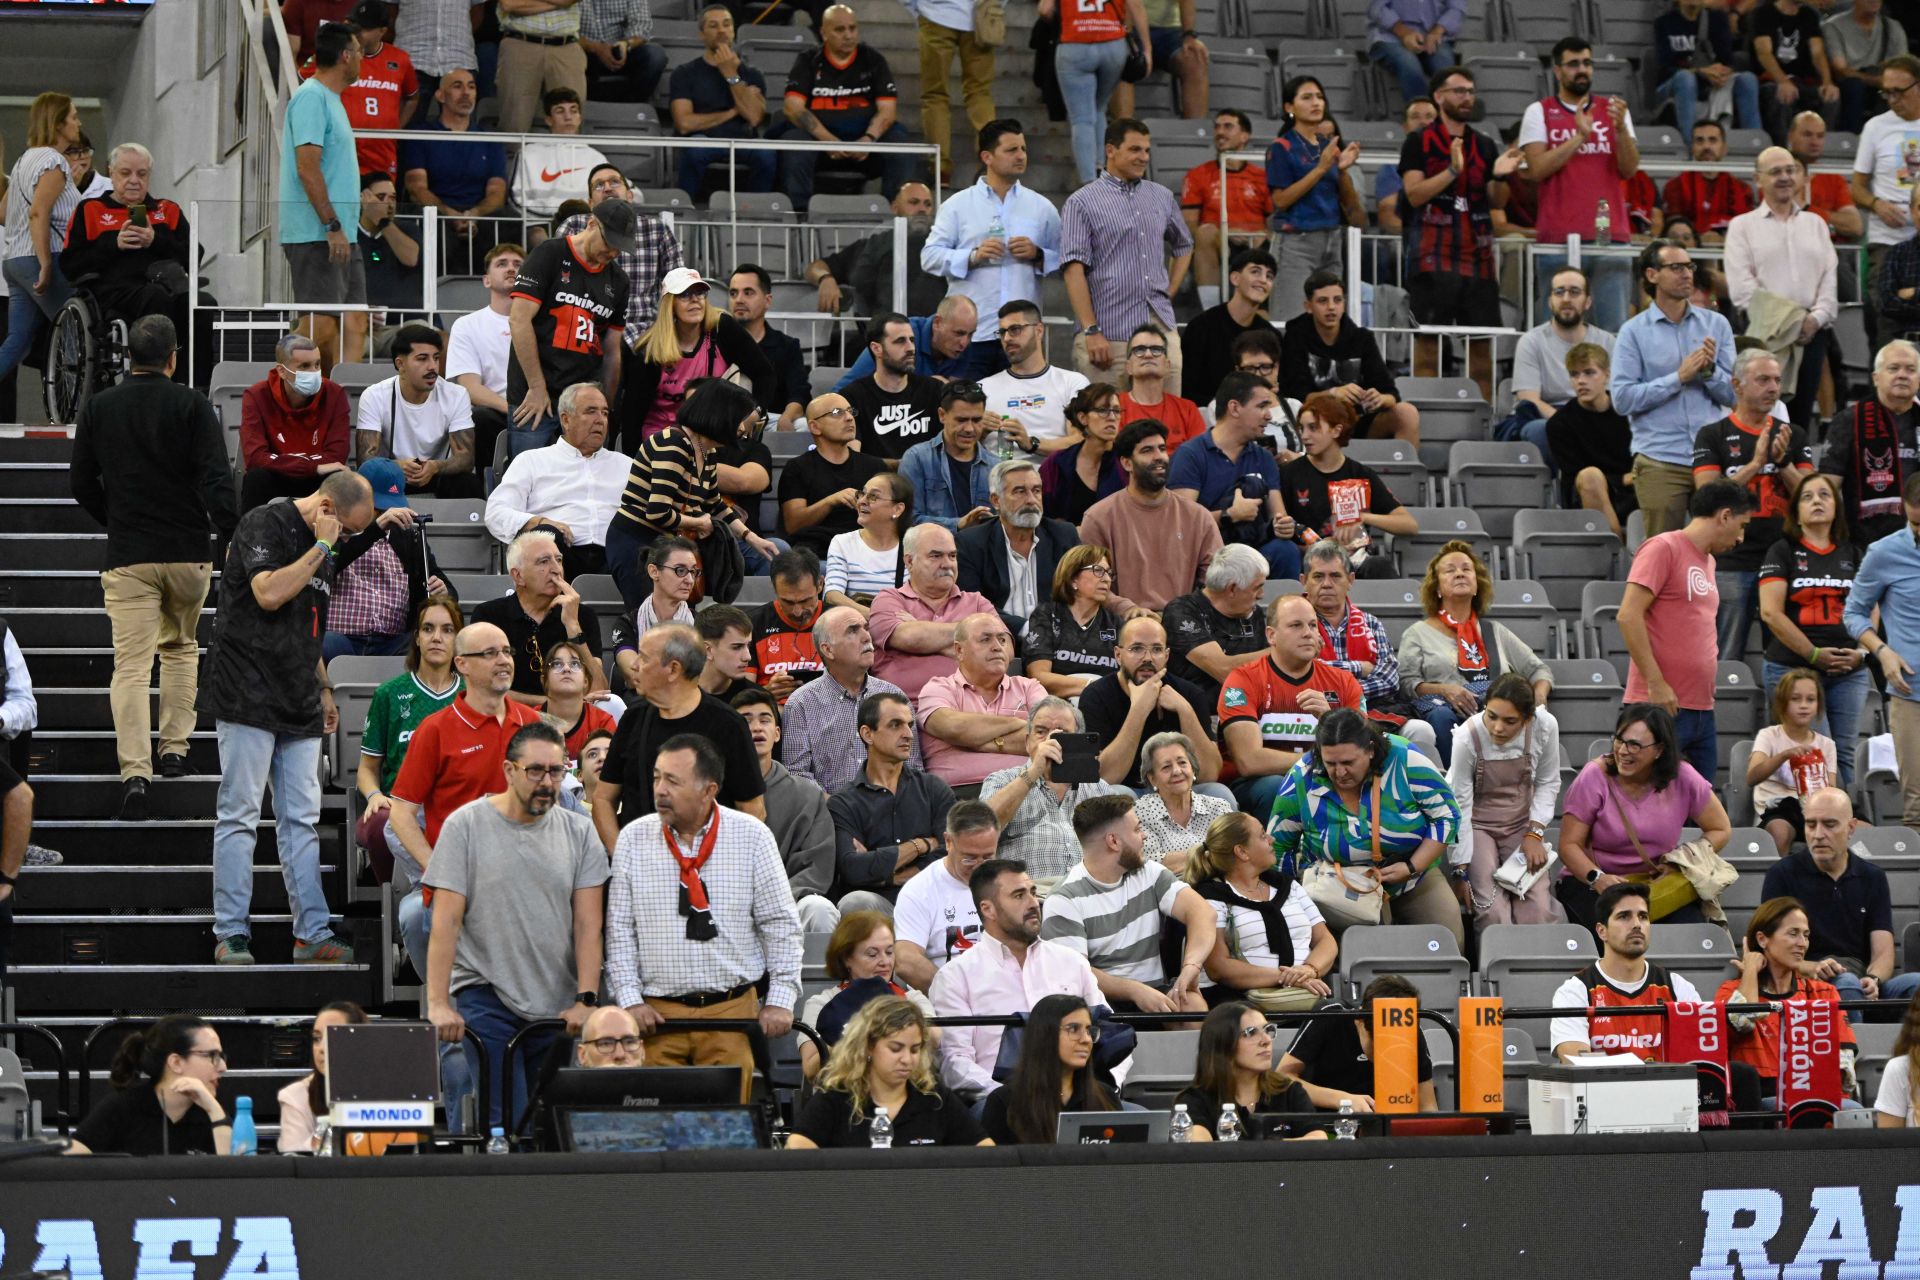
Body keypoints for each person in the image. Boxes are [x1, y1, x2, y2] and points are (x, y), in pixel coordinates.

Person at [203, 469, 372, 966]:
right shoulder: (264, 523)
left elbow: (308, 621)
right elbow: (270, 593)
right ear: (326, 506)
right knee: (241, 814)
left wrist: (322, 686)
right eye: (349, 527)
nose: (349, 537)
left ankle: (311, 934)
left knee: (302, 819)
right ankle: (231, 932)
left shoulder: (327, 546)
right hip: (246, 687)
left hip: (298, 692)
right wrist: (322, 546)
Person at [69, 316, 236, 809]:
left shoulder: (100, 407)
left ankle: (135, 774)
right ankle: (175, 751)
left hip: (130, 554)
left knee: (132, 667)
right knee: (181, 650)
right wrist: (230, 530)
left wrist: (115, 518)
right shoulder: (192, 405)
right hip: (187, 552)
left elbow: (80, 483)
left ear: (129, 358)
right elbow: (215, 479)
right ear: (173, 357)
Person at [604, 733, 801, 1093]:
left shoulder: (752, 836)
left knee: (727, 1133)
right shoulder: (633, 838)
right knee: (658, 1133)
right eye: (657, 777)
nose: (660, 790)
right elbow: (619, 931)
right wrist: (630, 1001)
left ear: (709, 789)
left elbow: (781, 925)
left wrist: (780, 1000)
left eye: (673, 781)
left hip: (732, 1014)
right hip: (656, 1017)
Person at [385, 620, 545, 972]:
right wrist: (436, 868)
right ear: (463, 665)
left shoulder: (535, 725)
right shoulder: (435, 729)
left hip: (525, 878)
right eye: (489, 653)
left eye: (506, 651)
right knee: (414, 916)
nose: (503, 660)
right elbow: (400, 814)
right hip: (460, 883)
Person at [1270, 709, 1466, 946]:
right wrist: (1290, 902)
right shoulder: (1303, 775)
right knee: (1362, 953)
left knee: (1446, 939)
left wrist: (1413, 866)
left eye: (1348, 762)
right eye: (1330, 763)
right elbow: (1279, 842)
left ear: (1371, 750)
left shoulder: (1404, 758)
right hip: (1336, 884)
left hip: (1411, 877)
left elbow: (1447, 816)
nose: (1340, 773)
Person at [931, 858, 1115, 1100]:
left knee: (1142, 1121)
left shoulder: (1072, 963)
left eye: (1033, 892)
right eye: (1019, 895)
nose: (1033, 903)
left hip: (1078, 1095)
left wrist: (1106, 1088)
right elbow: (954, 1062)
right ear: (988, 909)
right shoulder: (956, 977)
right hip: (1002, 1102)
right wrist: (1013, 1097)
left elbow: (1110, 1034)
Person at [1619, 479, 1757, 779]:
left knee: (1700, 812)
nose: (1741, 537)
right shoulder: (1663, 547)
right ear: (1724, 516)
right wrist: (1655, 683)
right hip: (1659, 705)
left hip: (1701, 708)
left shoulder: (1708, 561)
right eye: (1742, 525)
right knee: (1649, 802)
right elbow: (1628, 615)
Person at [602, 380, 779, 611]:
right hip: (636, 544)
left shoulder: (708, 451)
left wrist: (751, 538)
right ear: (720, 414)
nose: (744, 430)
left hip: (668, 546)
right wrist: (698, 522)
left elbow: (714, 503)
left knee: (678, 621)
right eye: (740, 420)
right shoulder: (674, 444)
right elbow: (658, 512)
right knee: (650, 620)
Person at [1398, 66, 1521, 391]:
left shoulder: (1483, 144)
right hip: (1431, 259)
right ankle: (1424, 420)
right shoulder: (1418, 141)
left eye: (1470, 91)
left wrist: (1502, 175)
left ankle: (1481, 424)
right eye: (1459, 91)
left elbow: (1496, 201)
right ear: (1439, 97)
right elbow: (1413, 194)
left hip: (1478, 261)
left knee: (1482, 352)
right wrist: (1453, 171)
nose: (1467, 97)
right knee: (1427, 349)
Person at [1557, 703, 1731, 928]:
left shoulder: (1682, 776)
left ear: (1659, 750)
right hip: (1592, 881)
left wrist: (1682, 860)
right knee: (1617, 933)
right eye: (1619, 740)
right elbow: (1568, 845)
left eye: (1635, 745)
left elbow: (1721, 829)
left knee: (1691, 933)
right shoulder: (1594, 775)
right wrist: (1598, 878)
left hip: (1654, 883)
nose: (1622, 751)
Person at [1041, 793, 1217, 1014]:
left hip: (1155, 992)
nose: (1143, 836)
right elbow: (1073, 972)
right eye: (1136, 829)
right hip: (1097, 1002)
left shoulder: (1149, 872)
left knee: (1192, 1005)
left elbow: (1203, 913)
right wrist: (1134, 991)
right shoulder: (1064, 898)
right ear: (1114, 841)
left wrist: (1192, 966)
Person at [593, 623, 767, 843]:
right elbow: (603, 799)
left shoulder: (729, 725)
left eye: (644, 658)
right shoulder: (633, 717)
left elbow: (753, 810)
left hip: (705, 870)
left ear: (673, 669)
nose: (634, 665)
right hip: (642, 867)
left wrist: (721, 869)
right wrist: (622, 859)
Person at [1518, 38, 1641, 333]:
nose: (1582, 69)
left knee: (1611, 332)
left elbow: (1629, 168)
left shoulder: (1614, 112)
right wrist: (1578, 138)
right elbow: (1535, 169)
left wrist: (1621, 128)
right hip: (1558, 235)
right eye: (1573, 64)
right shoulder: (1539, 111)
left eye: (1587, 63)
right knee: (1555, 331)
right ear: (1557, 71)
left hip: (1607, 234)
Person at [1062, 119, 1194, 390]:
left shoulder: (1162, 196)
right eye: (1135, 149)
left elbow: (1184, 245)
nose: (1143, 157)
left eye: (1146, 151)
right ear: (1111, 150)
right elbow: (1073, 270)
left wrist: (1170, 289)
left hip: (1161, 330)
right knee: (1106, 426)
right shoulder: (1081, 201)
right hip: (1108, 332)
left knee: (1169, 422)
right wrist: (1091, 331)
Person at [1399, 541, 1554, 767]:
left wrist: (1539, 695)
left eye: (1466, 569)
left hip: (1493, 714)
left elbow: (1539, 670)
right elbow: (1406, 683)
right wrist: (1444, 690)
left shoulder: (1494, 631)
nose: (1460, 574)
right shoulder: (1418, 633)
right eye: (1450, 570)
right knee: (1441, 717)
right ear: (1437, 588)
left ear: (1476, 585)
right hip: (1444, 714)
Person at [1763, 787, 1920, 1009]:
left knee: (1916, 984)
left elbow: (1883, 951)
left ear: (1851, 828)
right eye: (1810, 824)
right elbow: (1769, 948)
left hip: (1859, 978)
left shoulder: (1872, 877)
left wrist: (1873, 980)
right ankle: (1851, 1045)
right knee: (1845, 984)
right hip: (1805, 981)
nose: (1818, 834)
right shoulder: (1782, 874)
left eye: (1829, 824)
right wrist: (1811, 967)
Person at [1757, 474, 1868, 787]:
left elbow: (1871, 610)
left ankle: (1845, 821)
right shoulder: (1782, 551)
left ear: (1837, 506)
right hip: (1792, 668)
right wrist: (1814, 654)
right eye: (1807, 497)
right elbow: (1770, 612)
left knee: (1844, 751)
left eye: (1824, 495)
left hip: (1849, 670)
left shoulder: (1854, 553)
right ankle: (1818, 822)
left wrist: (1861, 654)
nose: (1817, 501)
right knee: (1815, 751)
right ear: (1796, 512)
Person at [924, 121, 1062, 369]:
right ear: (987, 156)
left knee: (1019, 408)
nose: (1021, 156)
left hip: (1022, 336)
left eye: (1023, 149)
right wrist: (972, 256)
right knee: (964, 406)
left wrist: (1038, 254)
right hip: (971, 335)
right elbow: (929, 257)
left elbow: (1064, 260)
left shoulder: (1043, 208)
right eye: (1011, 150)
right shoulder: (957, 205)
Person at [1219, 593, 1370, 814]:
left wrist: (1331, 720)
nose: (1308, 633)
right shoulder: (1244, 680)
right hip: (1260, 786)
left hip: (1329, 779)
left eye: (1312, 625)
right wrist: (1322, 761)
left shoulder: (1343, 681)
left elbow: (1364, 750)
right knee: (1278, 786)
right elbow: (1249, 761)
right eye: (1296, 626)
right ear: (1272, 636)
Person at [504, 198, 631, 458]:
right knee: (529, 479)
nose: (614, 253)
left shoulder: (618, 280)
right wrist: (536, 387)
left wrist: (604, 401)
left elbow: (612, 348)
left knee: (587, 482)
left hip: (584, 398)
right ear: (591, 224)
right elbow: (519, 320)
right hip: (536, 394)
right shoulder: (549, 254)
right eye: (610, 243)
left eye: (620, 248)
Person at [1725, 150, 1839, 430]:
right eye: (1776, 172)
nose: (1785, 177)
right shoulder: (1742, 226)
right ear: (1757, 179)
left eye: (1790, 170)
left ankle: (1796, 473)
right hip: (1765, 337)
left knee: (1799, 421)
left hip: (1812, 334)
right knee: (1760, 418)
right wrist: (1793, 321)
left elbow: (1829, 280)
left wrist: (1816, 318)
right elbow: (1742, 291)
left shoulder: (1816, 224)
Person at [354, 596, 463, 885]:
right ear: (416, 638)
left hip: (459, 805)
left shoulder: (472, 694)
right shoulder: (389, 694)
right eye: (428, 629)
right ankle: (398, 900)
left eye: (447, 630)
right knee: (381, 824)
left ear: (458, 639)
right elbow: (366, 769)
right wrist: (375, 796)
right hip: (402, 806)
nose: (436, 637)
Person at [1183, 811, 1336, 1010]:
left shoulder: (1288, 886)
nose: (1271, 839)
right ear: (1242, 852)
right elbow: (1218, 967)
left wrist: (1308, 970)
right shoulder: (1210, 897)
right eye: (1263, 835)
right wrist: (1287, 978)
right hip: (1239, 1000)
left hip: (1304, 991)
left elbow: (1326, 940)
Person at [1447, 672, 1563, 931]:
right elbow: (1461, 805)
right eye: (1492, 716)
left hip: (1522, 822)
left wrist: (1535, 833)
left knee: (1538, 909)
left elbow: (1548, 782)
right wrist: (1460, 870)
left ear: (1528, 718)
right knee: (1491, 909)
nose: (1498, 728)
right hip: (1477, 826)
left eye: (1510, 721)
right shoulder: (1467, 737)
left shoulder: (1545, 726)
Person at [789, 996, 987, 1147]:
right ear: (868, 1046)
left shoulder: (935, 1099)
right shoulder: (835, 1099)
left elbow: (985, 1152)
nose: (907, 1059)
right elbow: (796, 1154)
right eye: (895, 1049)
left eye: (914, 1049)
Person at [770, 6, 915, 212]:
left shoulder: (873, 60)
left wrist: (868, 140)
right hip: (820, 144)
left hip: (865, 144)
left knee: (900, 147)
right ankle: (799, 217)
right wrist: (828, 141)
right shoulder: (808, 60)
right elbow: (793, 109)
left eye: (852, 28)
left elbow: (888, 110)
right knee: (794, 143)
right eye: (840, 30)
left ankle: (894, 218)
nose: (848, 35)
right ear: (823, 33)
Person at [275, 29, 362, 369]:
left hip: (343, 234)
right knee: (321, 327)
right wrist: (331, 223)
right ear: (344, 56)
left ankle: (339, 404)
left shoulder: (332, 100)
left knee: (355, 324)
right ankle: (277, 390)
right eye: (356, 51)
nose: (360, 59)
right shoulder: (311, 97)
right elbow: (307, 168)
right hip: (319, 233)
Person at [1718, 897, 1861, 1103]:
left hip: (1817, 1098)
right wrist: (1750, 968)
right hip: (1759, 1104)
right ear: (1762, 939)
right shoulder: (1730, 991)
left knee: (1854, 1111)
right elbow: (1742, 1022)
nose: (1802, 944)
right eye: (1793, 934)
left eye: (1806, 935)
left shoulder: (1824, 993)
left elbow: (1844, 1064)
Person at [1303, 541, 1440, 757]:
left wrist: (1339, 687)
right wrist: (1360, 668)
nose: (1327, 584)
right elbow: (1301, 674)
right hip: (1313, 713)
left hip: (1374, 711)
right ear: (1304, 582)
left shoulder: (1370, 623)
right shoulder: (1296, 623)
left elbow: (1389, 680)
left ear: (1350, 580)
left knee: (1421, 730)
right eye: (1318, 576)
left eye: (1336, 576)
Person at [1550, 881, 1712, 1061]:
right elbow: (1575, 1062)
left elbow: (1698, 1058)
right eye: (1624, 916)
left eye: (1643, 916)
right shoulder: (1575, 990)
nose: (1636, 924)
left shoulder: (1678, 987)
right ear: (1602, 931)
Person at [828, 690, 956, 909]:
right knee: (855, 902)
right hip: (878, 909)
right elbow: (852, 868)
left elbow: (952, 852)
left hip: (934, 901)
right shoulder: (843, 802)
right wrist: (921, 845)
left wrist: (891, 874)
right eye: (896, 725)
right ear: (868, 734)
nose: (908, 734)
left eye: (909, 724)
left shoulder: (933, 789)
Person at [622, 267, 775, 449]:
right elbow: (632, 418)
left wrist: (754, 414)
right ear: (669, 304)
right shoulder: (650, 351)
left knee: (756, 457)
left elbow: (765, 375)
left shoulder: (722, 328)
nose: (695, 299)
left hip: (711, 435)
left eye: (700, 293)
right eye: (685, 294)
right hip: (663, 439)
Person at [484, 383, 625, 580]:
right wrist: (539, 522)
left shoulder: (627, 466)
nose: (600, 420)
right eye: (591, 412)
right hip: (559, 554)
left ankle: (640, 611)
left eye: (604, 413)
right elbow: (496, 513)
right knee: (546, 534)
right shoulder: (532, 460)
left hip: (615, 557)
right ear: (566, 420)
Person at [1080, 419, 1223, 611]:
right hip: (1122, 625)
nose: (1159, 457)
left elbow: (1215, 581)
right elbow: (1091, 583)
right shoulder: (1098, 518)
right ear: (1127, 463)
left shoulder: (1198, 517)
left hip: (1185, 624)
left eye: (1162, 449)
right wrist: (1127, 610)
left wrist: (1185, 614)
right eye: (1147, 451)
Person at [981, 699, 1130, 880]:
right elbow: (982, 828)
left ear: (1079, 742)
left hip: (1090, 896)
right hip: (1031, 897)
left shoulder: (1099, 790)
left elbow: (1127, 845)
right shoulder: (1001, 780)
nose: (1050, 742)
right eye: (1041, 732)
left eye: (1062, 735)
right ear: (1028, 743)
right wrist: (1034, 772)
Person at [1276, 393, 1420, 581]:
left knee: (1379, 566)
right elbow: (1282, 532)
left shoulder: (1361, 474)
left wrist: (1362, 517)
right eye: (1302, 429)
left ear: (1336, 430)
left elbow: (1409, 525)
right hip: (1311, 563)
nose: (1304, 436)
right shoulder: (1289, 474)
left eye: (1313, 428)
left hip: (1354, 562)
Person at [782, 606, 923, 795]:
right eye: (852, 631)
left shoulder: (893, 696)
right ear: (828, 650)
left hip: (890, 809)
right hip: (830, 815)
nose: (866, 637)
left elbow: (912, 768)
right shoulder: (801, 703)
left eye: (865, 628)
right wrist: (837, 807)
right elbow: (797, 774)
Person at [59, 143, 192, 343]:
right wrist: (114, 244)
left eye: (141, 174)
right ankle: (153, 371)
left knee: (203, 304)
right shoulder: (90, 209)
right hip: (115, 291)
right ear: (111, 174)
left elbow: (193, 256)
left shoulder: (167, 210)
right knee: (155, 297)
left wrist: (155, 240)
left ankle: (192, 374)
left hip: (168, 285)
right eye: (125, 173)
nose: (134, 180)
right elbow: (70, 265)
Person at [321, 460, 452, 661]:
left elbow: (444, 586)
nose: (387, 516)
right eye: (379, 509)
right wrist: (375, 530)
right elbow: (326, 566)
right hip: (341, 637)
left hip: (392, 642)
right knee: (323, 642)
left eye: (390, 509)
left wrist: (442, 590)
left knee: (431, 644)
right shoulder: (335, 526)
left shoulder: (408, 537)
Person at [732, 686, 838, 932]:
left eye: (765, 720)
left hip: (788, 904)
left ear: (777, 733)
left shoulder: (807, 795)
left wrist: (771, 903)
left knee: (819, 909)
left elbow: (816, 867)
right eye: (746, 721)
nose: (757, 727)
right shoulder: (712, 793)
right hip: (726, 908)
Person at [1171, 372, 1295, 579]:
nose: (1269, 415)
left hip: (1253, 550)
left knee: (1286, 550)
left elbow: (1278, 515)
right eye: (1262, 406)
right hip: (1209, 553)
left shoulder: (1264, 458)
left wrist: (1284, 526)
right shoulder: (1191, 454)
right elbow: (1181, 525)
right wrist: (1230, 515)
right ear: (1235, 408)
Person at [1280, 270, 1419, 447]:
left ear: (1344, 303)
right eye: (1323, 301)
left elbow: (1391, 393)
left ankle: (1405, 472)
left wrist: (1379, 399)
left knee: (1407, 412)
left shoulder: (1362, 338)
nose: (1331, 307)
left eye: (1337, 300)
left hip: (1356, 422)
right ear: (1308, 306)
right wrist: (1333, 394)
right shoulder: (1295, 338)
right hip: (1310, 423)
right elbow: (1294, 397)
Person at [1266, 77, 1363, 325]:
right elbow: (1281, 200)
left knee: (1329, 321)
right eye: (1307, 97)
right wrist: (1320, 169)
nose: (1316, 102)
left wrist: (1341, 170)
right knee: (1290, 320)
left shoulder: (1326, 145)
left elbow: (1348, 203)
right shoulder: (1281, 147)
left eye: (1319, 97)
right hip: (1296, 242)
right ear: (1290, 107)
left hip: (1332, 239)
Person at [468, 530, 605, 703]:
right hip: (509, 718)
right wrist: (550, 704)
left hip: (570, 719)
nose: (556, 570)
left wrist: (573, 626)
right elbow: (481, 688)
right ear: (518, 576)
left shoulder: (581, 615)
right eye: (544, 561)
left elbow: (599, 690)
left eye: (559, 560)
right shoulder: (489, 616)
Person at [66, 1016, 233, 1157]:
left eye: (221, 1056)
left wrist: (214, 1111)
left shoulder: (213, 1111)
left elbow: (238, 1176)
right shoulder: (124, 1107)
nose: (223, 1067)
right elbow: (70, 1161)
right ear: (176, 1062)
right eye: (212, 1056)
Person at [916, 613, 1049, 787]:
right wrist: (1017, 723)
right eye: (985, 640)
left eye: (1002, 640)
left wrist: (973, 741)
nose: (997, 647)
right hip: (960, 794)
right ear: (959, 650)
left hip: (1027, 788)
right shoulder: (939, 688)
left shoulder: (1029, 687)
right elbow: (954, 727)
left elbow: (1049, 738)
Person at [869, 523, 998, 700]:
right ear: (909, 561)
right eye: (935, 556)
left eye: (952, 556)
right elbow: (908, 638)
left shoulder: (977, 602)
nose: (947, 564)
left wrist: (922, 630)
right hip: (905, 713)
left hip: (973, 706)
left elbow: (1003, 651)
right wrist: (971, 641)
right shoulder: (888, 600)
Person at [557, 165, 686, 338]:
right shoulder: (574, 226)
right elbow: (561, 283)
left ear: (630, 196)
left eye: (615, 182)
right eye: (599, 185)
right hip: (586, 331)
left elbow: (677, 286)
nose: (608, 188)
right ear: (590, 203)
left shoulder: (657, 229)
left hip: (644, 334)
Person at [956, 460, 1083, 632]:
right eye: (1019, 491)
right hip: (998, 639)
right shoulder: (970, 543)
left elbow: (1081, 592)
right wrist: (1026, 628)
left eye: (1036, 491)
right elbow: (971, 606)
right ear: (996, 501)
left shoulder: (1064, 535)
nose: (1031, 500)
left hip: (1057, 640)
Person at [799, 915, 938, 1073]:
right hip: (842, 1092)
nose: (885, 961)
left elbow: (934, 1038)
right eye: (873, 954)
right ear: (846, 959)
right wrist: (865, 1036)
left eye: (890, 952)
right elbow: (811, 1068)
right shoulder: (821, 1003)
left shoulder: (912, 999)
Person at [351, 324, 478, 498]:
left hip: (435, 475)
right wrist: (395, 466)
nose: (432, 367)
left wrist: (436, 467)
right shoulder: (374, 396)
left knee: (467, 482)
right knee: (369, 479)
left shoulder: (456, 394)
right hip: (393, 479)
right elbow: (365, 460)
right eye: (422, 359)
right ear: (400, 364)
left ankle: (458, 524)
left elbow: (466, 458)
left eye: (436, 358)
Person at [886, 799, 1000, 990]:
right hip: (947, 998)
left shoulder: (1008, 883)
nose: (980, 866)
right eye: (969, 858)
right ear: (948, 841)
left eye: (988, 857)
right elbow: (906, 961)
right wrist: (956, 993)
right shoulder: (920, 890)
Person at [1279, 974, 1438, 1111]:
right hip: (1326, 1124)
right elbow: (1282, 1077)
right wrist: (1343, 1100)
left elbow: (1427, 1106)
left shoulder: (1409, 1030)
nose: (1384, 1056)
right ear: (1360, 1020)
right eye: (1378, 1046)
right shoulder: (1330, 1016)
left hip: (1386, 1129)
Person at [278, 1001, 418, 1155]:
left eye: (333, 1036)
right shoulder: (295, 1096)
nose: (322, 1049)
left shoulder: (392, 1091)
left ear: (360, 1042)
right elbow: (293, 1158)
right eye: (317, 1038)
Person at [978, 993, 1120, 1143]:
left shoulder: (1105, 1097)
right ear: (1044, 1034)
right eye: (1073, 1029)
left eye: (1089, 1030)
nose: (1086, 1039)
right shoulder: (1005, 1102)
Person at [400, 69, 509, 258]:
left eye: (471, 87)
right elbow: (417, 189)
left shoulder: (490, 140)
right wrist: (451, 215)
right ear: (440, 96)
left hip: (478, 214)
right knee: (430, 224)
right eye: (457, 86)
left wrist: (473, 215)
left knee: (508, 222)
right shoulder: (420, 135)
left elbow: (497, 192)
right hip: (439, 213)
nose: (466, 93)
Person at [668, 5, 775, 197]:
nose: (721, 31)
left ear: (733, 31)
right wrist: (734, 111)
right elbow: (684, 124)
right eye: (713, 26)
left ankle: (756, 211)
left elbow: (754, 118)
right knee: (695, 147)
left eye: (727, 25)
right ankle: (685, 207)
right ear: (701, 34)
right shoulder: (684, 73)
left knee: (766, 152)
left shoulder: (752, 74)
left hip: (743, 140)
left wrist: (731, 74)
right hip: (704, 139)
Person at [1172, 1003, 1323, 1138]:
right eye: (1250, 1033)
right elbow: (1200, 1152)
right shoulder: (1194, 1100)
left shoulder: (1288, 1090)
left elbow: (1318, 1138)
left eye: (1267, 1030)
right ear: (1223, 1044)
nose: (1266, 1040)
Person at [1852, 54, 1920, 350]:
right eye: (1886, 92)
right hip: (1887, 238)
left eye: (1899, 92)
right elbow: (1857, 188)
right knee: (1884, 321)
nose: (1891, 99)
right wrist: (1876, 204)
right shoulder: (1876, 127)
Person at [1821, 340, 1920, 544]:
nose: (1902, 374)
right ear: (1876, 378)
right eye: (1893, 368)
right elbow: (1827, 487)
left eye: (1910, 369)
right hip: (1864, 541)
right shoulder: (1849, 420)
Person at [810, 189, 952, 331]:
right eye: (914, 202)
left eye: (927, 204)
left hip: (933, 334)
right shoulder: (873, 245)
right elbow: (816, 267)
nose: (922, 209)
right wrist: (825, 278)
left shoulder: (943, 249)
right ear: (895, 208)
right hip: (883, 335)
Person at [239, 334, 352, 512]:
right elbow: (255, 458)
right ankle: (252, 538)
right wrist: (311, 466)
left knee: (338, 476)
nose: (314, 372)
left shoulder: (335, 394)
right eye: (305, 366)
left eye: (317, 364)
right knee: (256, 477)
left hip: (316, 479)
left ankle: (336, 538)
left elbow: (337, 456)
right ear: (282, 371)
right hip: (278, 477)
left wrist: (286, 462)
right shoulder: (256, 396)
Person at [1510, 267, 1615, 457]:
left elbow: (1614, 394)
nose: (1566, 298)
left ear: (1587, 302)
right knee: (1540, 430)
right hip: (1548, 415)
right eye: (1559, 292)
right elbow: (1529, 399)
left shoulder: (1608, 342)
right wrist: (1569, 423)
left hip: (1595, 414)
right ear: (1551, 301)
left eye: (1574, 292)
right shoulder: (1531, 341)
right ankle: (1554, 487)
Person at [1046, 0, 1151, 185]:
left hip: (1074, 44)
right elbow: (1136, 5)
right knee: (1100, 107)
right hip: (1113, 45)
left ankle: (1089, 181)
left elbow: (1045, 9)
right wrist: (1147, 49)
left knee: (1082, 118)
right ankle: (1103, 167)